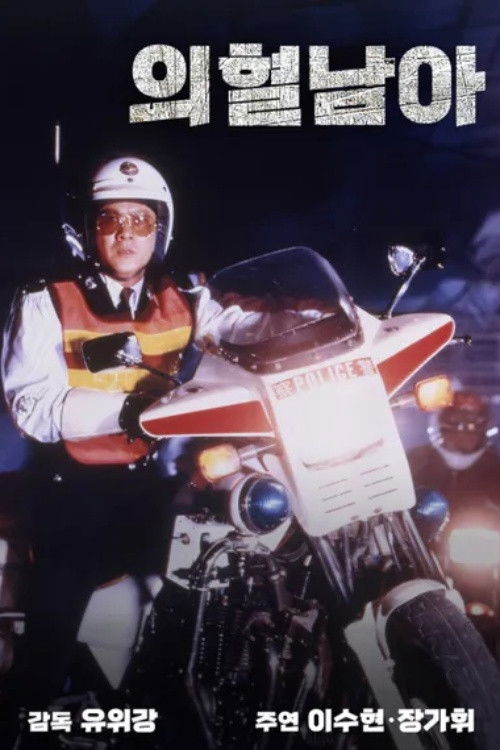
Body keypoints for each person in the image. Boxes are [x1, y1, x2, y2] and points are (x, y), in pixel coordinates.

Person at [0, 156, 274, 736]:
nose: (126, 235)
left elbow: (238, 326)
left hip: (154, 484)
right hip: (71, 491)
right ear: (87, 229)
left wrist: (316, 324)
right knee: (54, 623)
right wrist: (128, 411)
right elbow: (31, 407)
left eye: (141, 221)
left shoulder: (185, 295)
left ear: (160, 229)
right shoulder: (46, 298)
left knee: (219, 584)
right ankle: (21, 724)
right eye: (110, 220)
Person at [408, 389, 500, 506]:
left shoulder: (494, 468)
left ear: (484, 432)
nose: (462, 434)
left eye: (472, 428)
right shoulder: (414, 461)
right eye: (455, 424)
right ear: (439, 426)